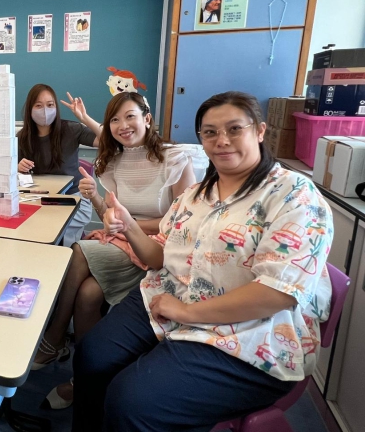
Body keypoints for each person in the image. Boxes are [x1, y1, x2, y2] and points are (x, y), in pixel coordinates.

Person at [72, 91, 333, 431]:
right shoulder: (196, 196)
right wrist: (128, 224)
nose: (221, 140)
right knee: (92, 356)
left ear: (259, 131)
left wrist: (186, 313)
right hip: (167, 296)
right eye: (210, 132)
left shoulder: (295, 195)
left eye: (234, 129)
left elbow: (277, 293)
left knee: (131, 400)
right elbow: (159, 256)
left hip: (250, 330)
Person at [33, 91, 198, 409]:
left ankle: (54, 338)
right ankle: (84, 377)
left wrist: (131, 224)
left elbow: (181, 221)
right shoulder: (116, 161)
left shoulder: (175, 158)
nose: (123, 125)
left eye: (130, 116)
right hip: (125, 241)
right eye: (114, 120)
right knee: (88, 294)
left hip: (162, 249)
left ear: (146, 119)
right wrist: (95, 197)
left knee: (78, 250)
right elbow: (113, 217)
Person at [17, 84, 100, 247]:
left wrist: (84, 118)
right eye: (38, 105)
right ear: (30, 109)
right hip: (41, 199)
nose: (45, 111)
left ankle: (68, 259)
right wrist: (18, 168)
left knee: (52, 231)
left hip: (74, 199)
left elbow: (107, 141)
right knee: (27, 227)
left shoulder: (72, 129)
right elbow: (15, 177)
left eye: (50, 105)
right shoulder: (22, 137)